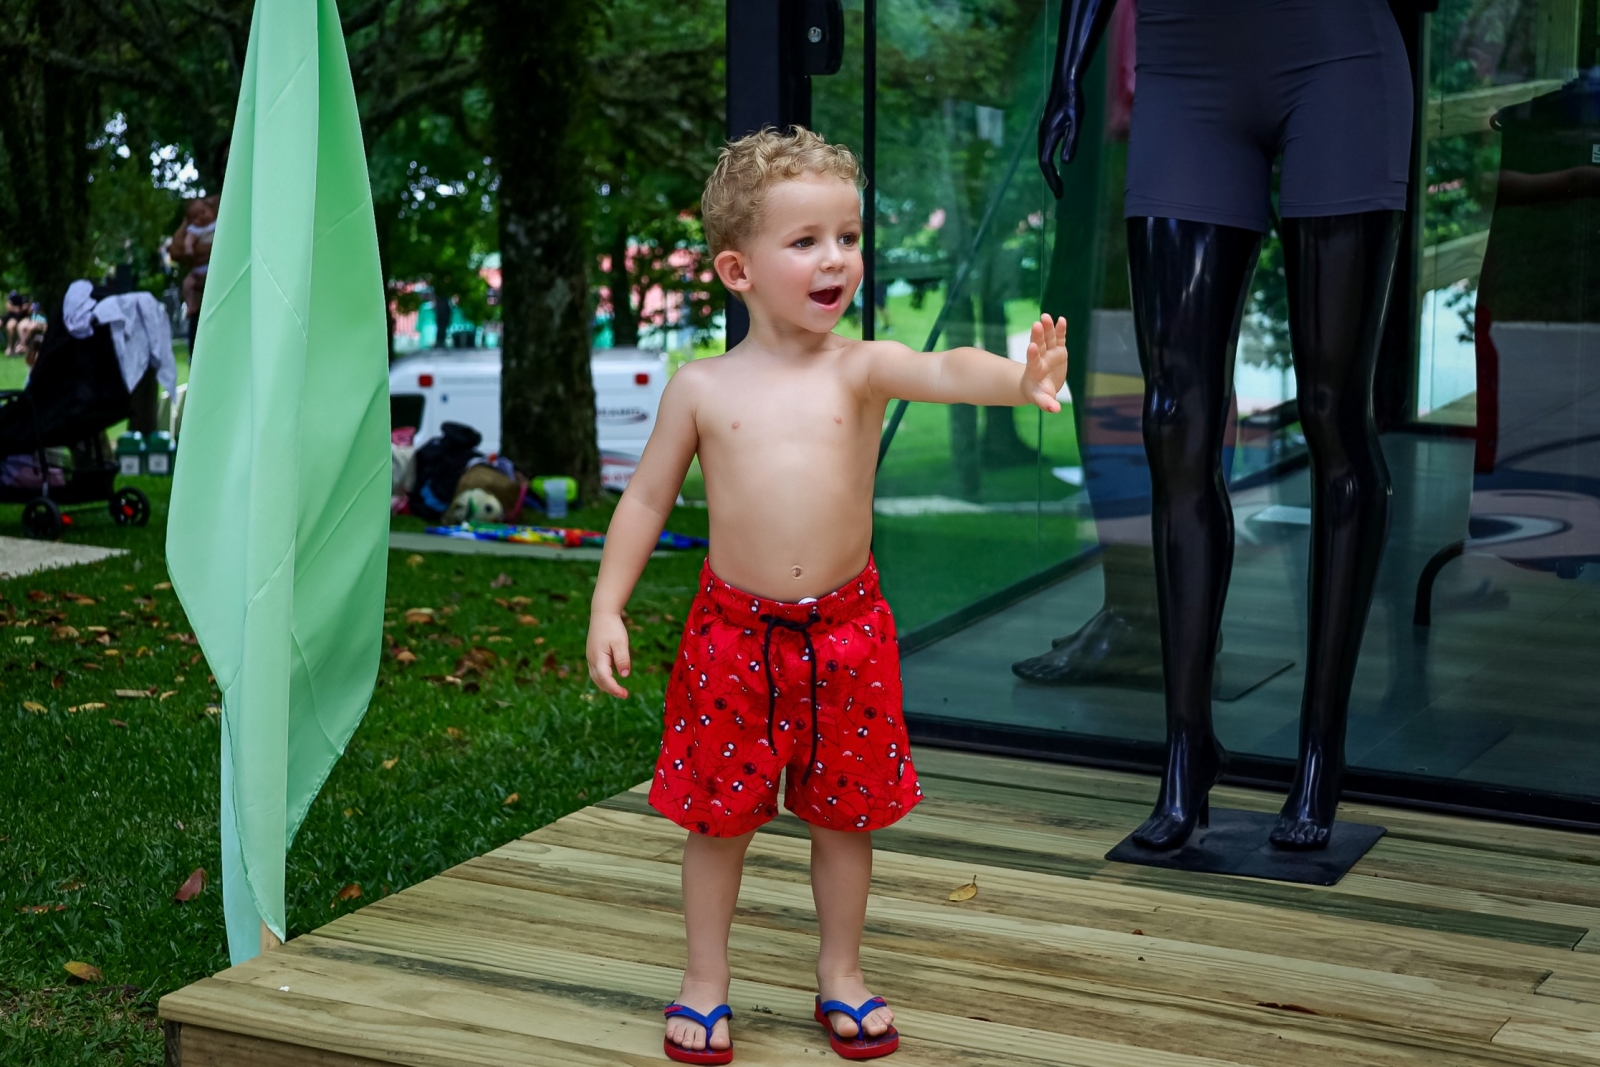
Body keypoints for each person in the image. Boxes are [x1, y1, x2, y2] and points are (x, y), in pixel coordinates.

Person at [585, 127, 1068, 1065]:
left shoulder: (861, 367)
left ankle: (841, 971)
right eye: (805, 241)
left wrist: (1020, 381)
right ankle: (705, 980)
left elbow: (944, 368)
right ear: (738, 269)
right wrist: (609, 604)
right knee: (717, 821)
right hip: (732, 640)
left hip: (848, 637)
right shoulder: (701, 388)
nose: (836, 258)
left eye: (847, 237)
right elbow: (645, 499)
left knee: (847, 817)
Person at [169, 194, 220, 353]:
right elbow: (176, 252)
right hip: (201, 304)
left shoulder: (220, 223)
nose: (201, 217)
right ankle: (190, 306)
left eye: (204, 211)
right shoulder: (194, 229)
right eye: (195, 215)